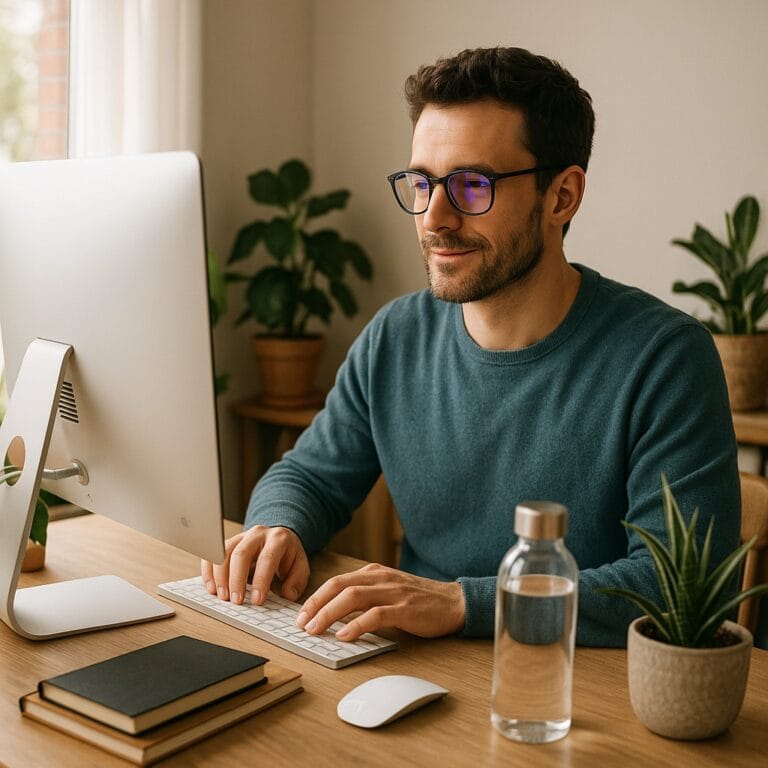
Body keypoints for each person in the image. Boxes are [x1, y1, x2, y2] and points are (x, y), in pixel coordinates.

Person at [202, 47, 739, 647]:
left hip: (570, 694)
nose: (435, 216)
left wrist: (463, 602)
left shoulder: (666, 358)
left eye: (472, 184)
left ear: (561, 196)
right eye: (423, 182)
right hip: (415, 669)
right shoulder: (395, 337)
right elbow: (309, 475)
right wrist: (280, 527)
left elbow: (678, 586)